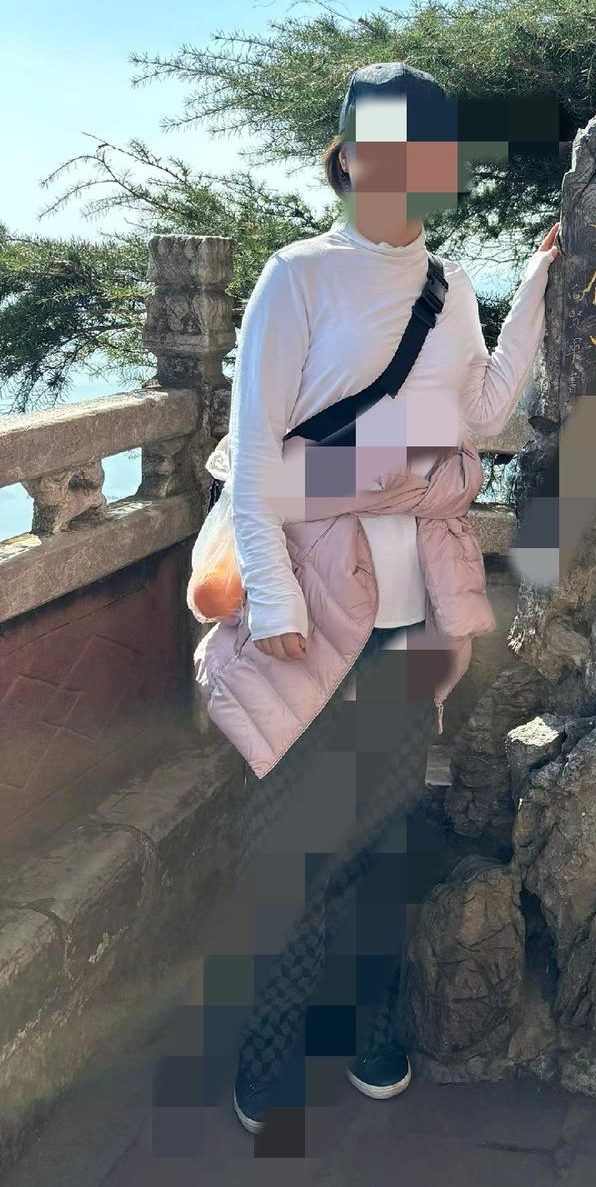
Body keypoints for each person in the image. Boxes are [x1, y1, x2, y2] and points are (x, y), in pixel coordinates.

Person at [195, 61, 557, 1151]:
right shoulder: (297, 277)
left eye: (421, 154)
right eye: (380, 150)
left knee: (385, 824)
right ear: (348, 158)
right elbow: (256, 458)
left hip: (405, 601)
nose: (399, 171)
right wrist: (270, 602)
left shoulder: (450, 286)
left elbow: (483, 412)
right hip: (307, 593)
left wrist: (538, 286)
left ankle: (368, 1022)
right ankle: (269, 1047)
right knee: (290, 836)